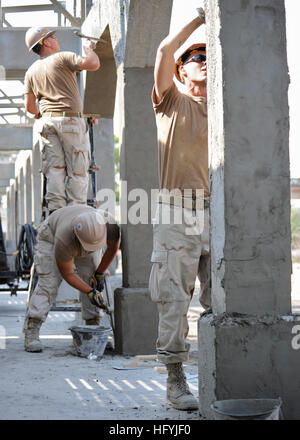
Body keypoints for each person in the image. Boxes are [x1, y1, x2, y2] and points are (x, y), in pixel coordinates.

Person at [149, 8, 210, 410]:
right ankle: (175, 377)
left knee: (222, 298)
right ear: (180, 71)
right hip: (176, 212)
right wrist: (199, 20)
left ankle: (222, 371)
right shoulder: (169, 100)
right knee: (174, 298)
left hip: (216, 210)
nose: (203, 62)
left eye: (208, 57)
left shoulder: (223, 108)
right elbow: (162, 49)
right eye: (195, 58)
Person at [23, 205, 120, 353]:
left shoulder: (110, 224)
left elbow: (113, 249)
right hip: (50, 237)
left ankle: (93, 329)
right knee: (49, 283)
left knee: (92, 279)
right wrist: (89, 292)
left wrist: (99, 273)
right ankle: (33, 328)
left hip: (87, 237)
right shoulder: (65, 239)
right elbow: (68, 274)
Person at [24, 27, 100, 213]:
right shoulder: (62, 57)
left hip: (47, 124)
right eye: (53, 37)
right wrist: (89, 48)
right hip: (70, 123)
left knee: (55, 172)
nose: (56, 39)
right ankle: (76, 216)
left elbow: (30, 107)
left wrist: (43, 113)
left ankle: (56, 216)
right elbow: (93, 64)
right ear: (47, 42)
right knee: (78, 171)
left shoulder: (31, 72)